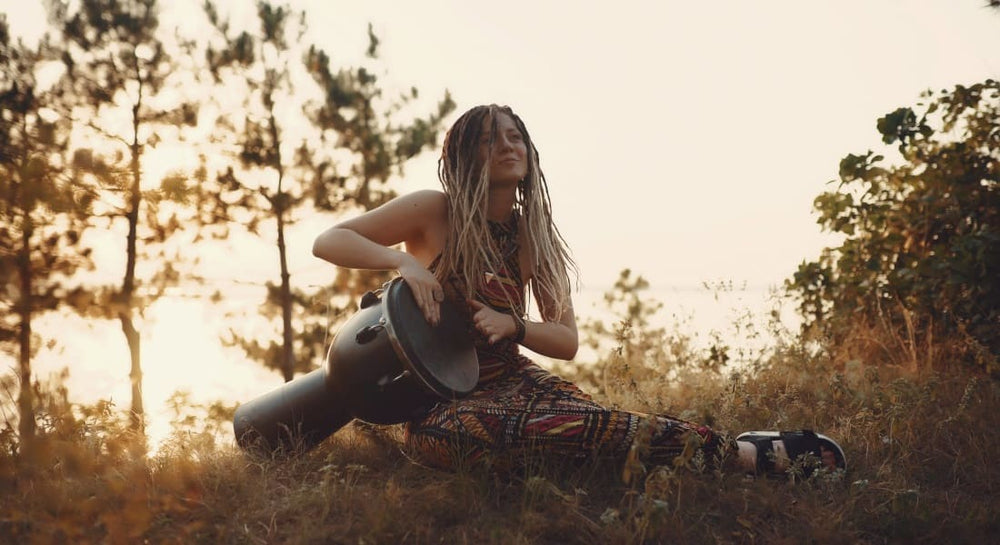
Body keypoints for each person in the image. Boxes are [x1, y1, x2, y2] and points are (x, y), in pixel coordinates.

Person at [312, 104, 845, 477]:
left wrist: (514, 326)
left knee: (591, 423)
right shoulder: (434, 211)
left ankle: (743, 453)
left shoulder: (531, 238)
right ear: (464, 155)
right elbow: (329, 240)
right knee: (475, 440)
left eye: (515, 137)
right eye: (490, 138)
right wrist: (403, 260)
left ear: (530, 154)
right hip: (442, 404)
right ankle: (742, 456)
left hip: (516, 381)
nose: (506, 146)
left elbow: (565, 340)